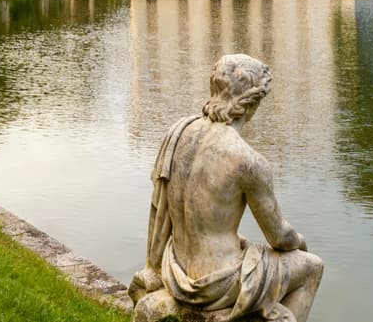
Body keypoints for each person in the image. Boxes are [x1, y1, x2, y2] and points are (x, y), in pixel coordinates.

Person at [129, 54, 323, 322]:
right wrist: (299, 243)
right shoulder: (248, 161)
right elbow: (278, 236)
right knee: (312, 268)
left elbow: (160, 209)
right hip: (218, 282)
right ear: (252, 103)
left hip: (175, 269)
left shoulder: (178, 132)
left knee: (238, 239)